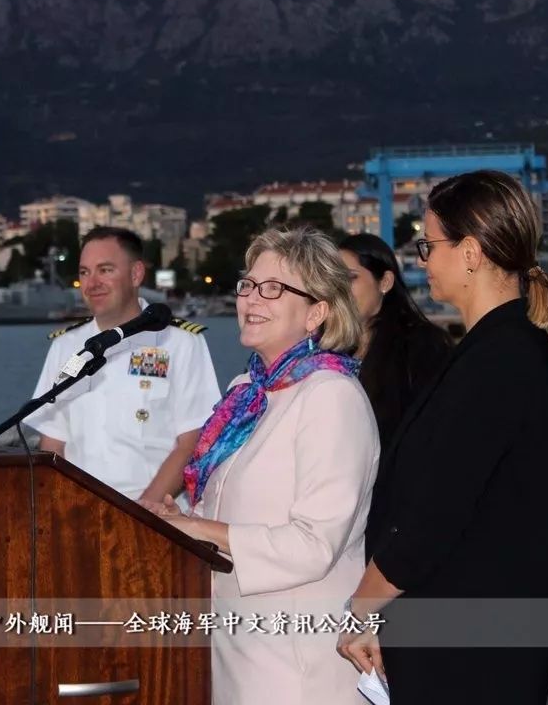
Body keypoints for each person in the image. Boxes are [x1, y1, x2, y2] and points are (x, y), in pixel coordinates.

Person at [338, 171, 548, 705]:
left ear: (470, 252)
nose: (421, 259)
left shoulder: (500, 359)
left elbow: (434, 514)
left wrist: (361, 607)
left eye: (428, 244)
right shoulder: (497, 349)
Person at [153, 225, 379, 704]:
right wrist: (183, 522)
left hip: (297, 665)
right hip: (234, 648)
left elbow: (315, 545)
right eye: (248, 285)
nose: (252, 299)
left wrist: (206, 531)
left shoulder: (330, 397)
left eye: (274, 289)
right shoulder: (246, 393)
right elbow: (233, 510)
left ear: (316, 311)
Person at [24, 226, 221, 502]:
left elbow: (193, 442)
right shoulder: (65, 346)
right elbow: (53, 444)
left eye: (105, 270)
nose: (91, 284)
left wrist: (139, 515)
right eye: (84, 272)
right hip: (80, 515)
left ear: (136, 274)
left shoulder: (179, 343)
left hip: (155, 518)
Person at [338, 233, 452, 449]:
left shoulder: (422, 346)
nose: (339, 289)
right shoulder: (329, 351)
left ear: (385, 282)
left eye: (350, 278)